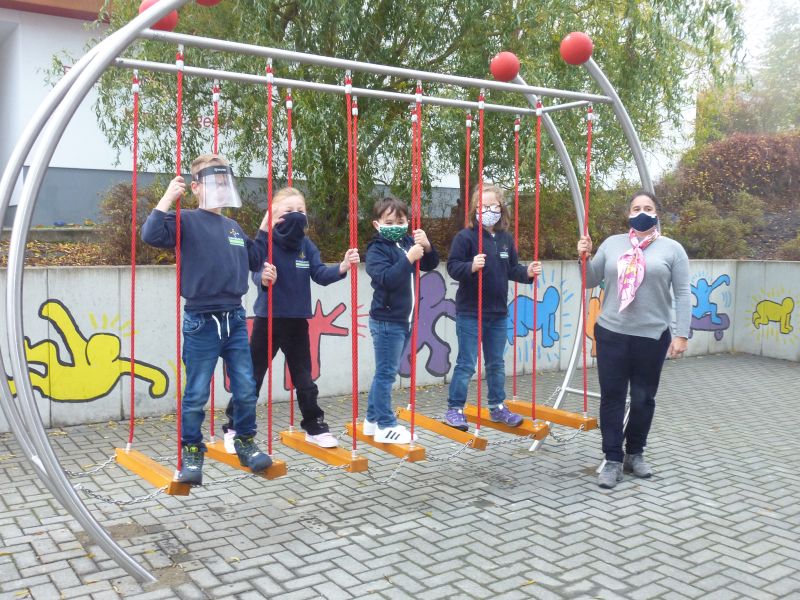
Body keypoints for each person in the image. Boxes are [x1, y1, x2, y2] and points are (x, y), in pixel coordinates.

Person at [141, 154, 272, 484]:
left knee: (245, 386)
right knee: (197, 392)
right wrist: (169, 197)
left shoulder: (232, 227)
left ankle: (244, 441)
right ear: (197, 188)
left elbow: (255, 258)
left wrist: (266, 226)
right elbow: (151, 234)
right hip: (202, 320)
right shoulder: (187, 220)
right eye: (213, 183)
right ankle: (192, 452)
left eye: (224, 183)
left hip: (235, 318)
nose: (220, 189)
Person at [222, 187, 359, 449]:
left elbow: (319, 274)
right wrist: (263, 279)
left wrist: (342, 267)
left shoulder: (306, 246)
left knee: (304, 377)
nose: (296, 216)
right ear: (273, 216)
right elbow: (254, 269)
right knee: (252, 375)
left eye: (301, 211)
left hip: (297, 321)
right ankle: (235, 425)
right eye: (289, 211)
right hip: (268, 320)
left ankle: (314, 426)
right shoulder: (266, 242)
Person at [577, 190, 690, 489]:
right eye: (636, 207)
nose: (641, 211)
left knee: (643, 399)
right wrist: (583, 256)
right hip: (612, 332)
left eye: (648, 207)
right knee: (612, 398)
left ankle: (635, 453)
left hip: (651, 337)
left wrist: (681, 334)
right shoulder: (613, 244)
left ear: (657, 214)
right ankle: (612, 459)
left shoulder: (672, 249)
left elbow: (682, 294)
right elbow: (589, 280)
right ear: (628, 214)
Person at [445, 184, 541, 431]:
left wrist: (527, 273)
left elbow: (511, 270)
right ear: (475, 209)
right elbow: (453, 266)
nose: (488, 210)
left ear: (501, 208)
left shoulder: (506, 239)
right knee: (466, 362)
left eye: (493, 206)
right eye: (483, 206)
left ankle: (497, 406)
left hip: (498, 313)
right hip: (470, 312)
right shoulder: (465, 237)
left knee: (496, 363)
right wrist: (471, 267)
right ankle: (455, 409)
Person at [364, 197, 439, 443]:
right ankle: (386, 425)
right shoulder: (376, 249)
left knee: (384, 372)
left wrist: (426, 246)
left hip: (403, 320)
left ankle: (372, 420)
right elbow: (386, 278)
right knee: (386, 373)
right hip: (386, 320)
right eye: (389, 222)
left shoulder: (407, 241)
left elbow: (430, 264)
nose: (396, 225)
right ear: (377, 224)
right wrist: (408, 259)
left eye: (401, 220)